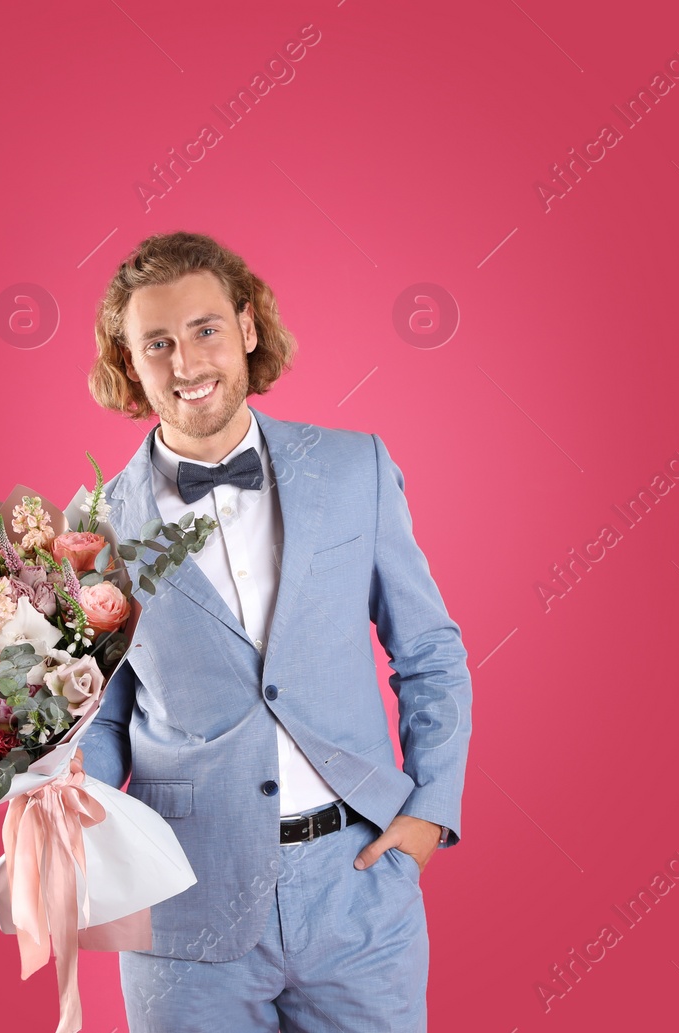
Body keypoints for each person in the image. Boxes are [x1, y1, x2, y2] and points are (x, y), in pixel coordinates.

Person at [74, 230, 472, 1032]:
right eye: (157, 344)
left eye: (205, 330)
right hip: (183, 904)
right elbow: (104, 711)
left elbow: (428, 651)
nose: (186, 363)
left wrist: (429, 810)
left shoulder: (356, 469)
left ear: (247, 328)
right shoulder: (93, 527)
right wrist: (59, 785)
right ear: (129, 362)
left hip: (359, 889)